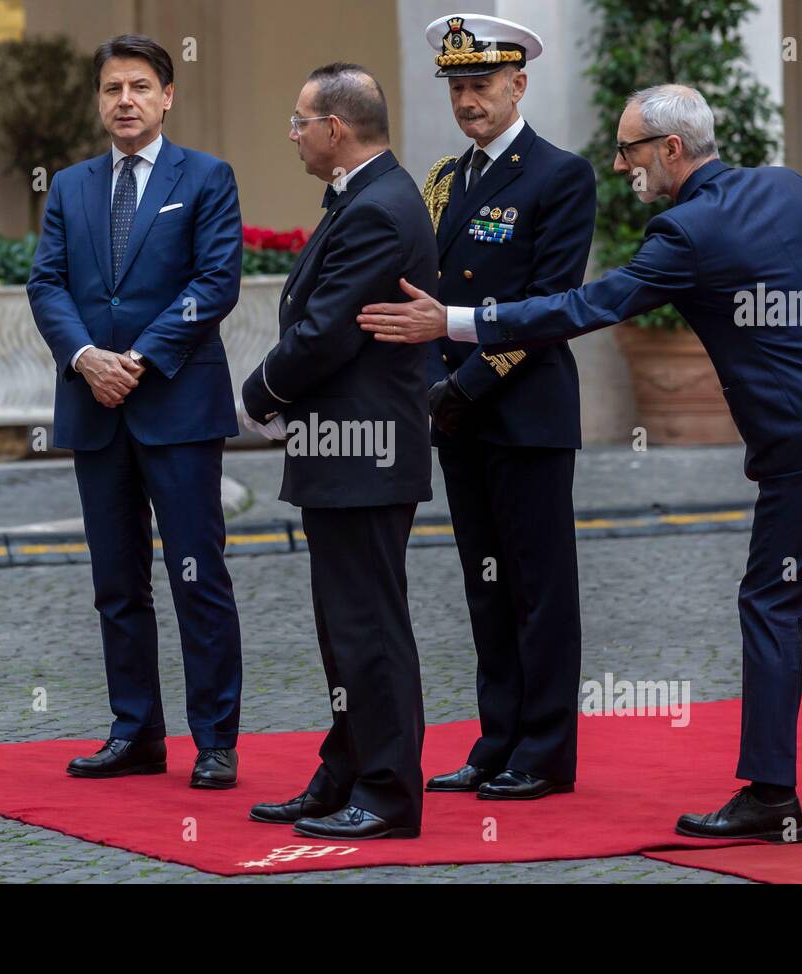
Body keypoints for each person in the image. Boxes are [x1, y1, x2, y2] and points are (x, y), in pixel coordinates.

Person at [357, 83, 802, 841]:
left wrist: (455, 321)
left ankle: (770, 796)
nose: (622, 164)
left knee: (770, 604)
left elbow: (584, 307)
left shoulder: (684, 233)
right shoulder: (789, 186)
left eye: (629, 149)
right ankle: (767, 790)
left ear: (671, 150)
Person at [27, 34, 244, 789]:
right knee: (116, 582)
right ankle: (136, 732)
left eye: (140, 87)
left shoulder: (207, 177)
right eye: (113, 88)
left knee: (197, 576)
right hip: (95, 406)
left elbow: (215, 281)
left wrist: (140, 358)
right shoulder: (70, 186)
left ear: (167, 97)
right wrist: (87, 359)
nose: (126, 101)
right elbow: (46, 285)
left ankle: (215, 739)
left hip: (176, 405)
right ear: (99, 100)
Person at [241, 63, 438, 840]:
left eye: (299, 122)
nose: (292, 135)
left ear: (336, 128)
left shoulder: (379, 208)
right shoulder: (367, 197)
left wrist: (257, 393)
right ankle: (346, 768)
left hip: (364, 451)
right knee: (343, 625)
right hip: (342, 450)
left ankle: (388, 792)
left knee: (370, 627)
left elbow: (325, 330)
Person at [418, 14, 596, 800]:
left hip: (522, 411)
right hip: (459, 416)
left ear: (518, 84)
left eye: (481, 86)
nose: (467, 102)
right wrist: (434, 386)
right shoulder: (446, 181)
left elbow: (549, 305)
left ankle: (546, 751)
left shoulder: (560, 175)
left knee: (538, 587)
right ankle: (496, 741)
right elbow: (423, 294)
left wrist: (466, 384)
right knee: (485, 587)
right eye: (457, 88)